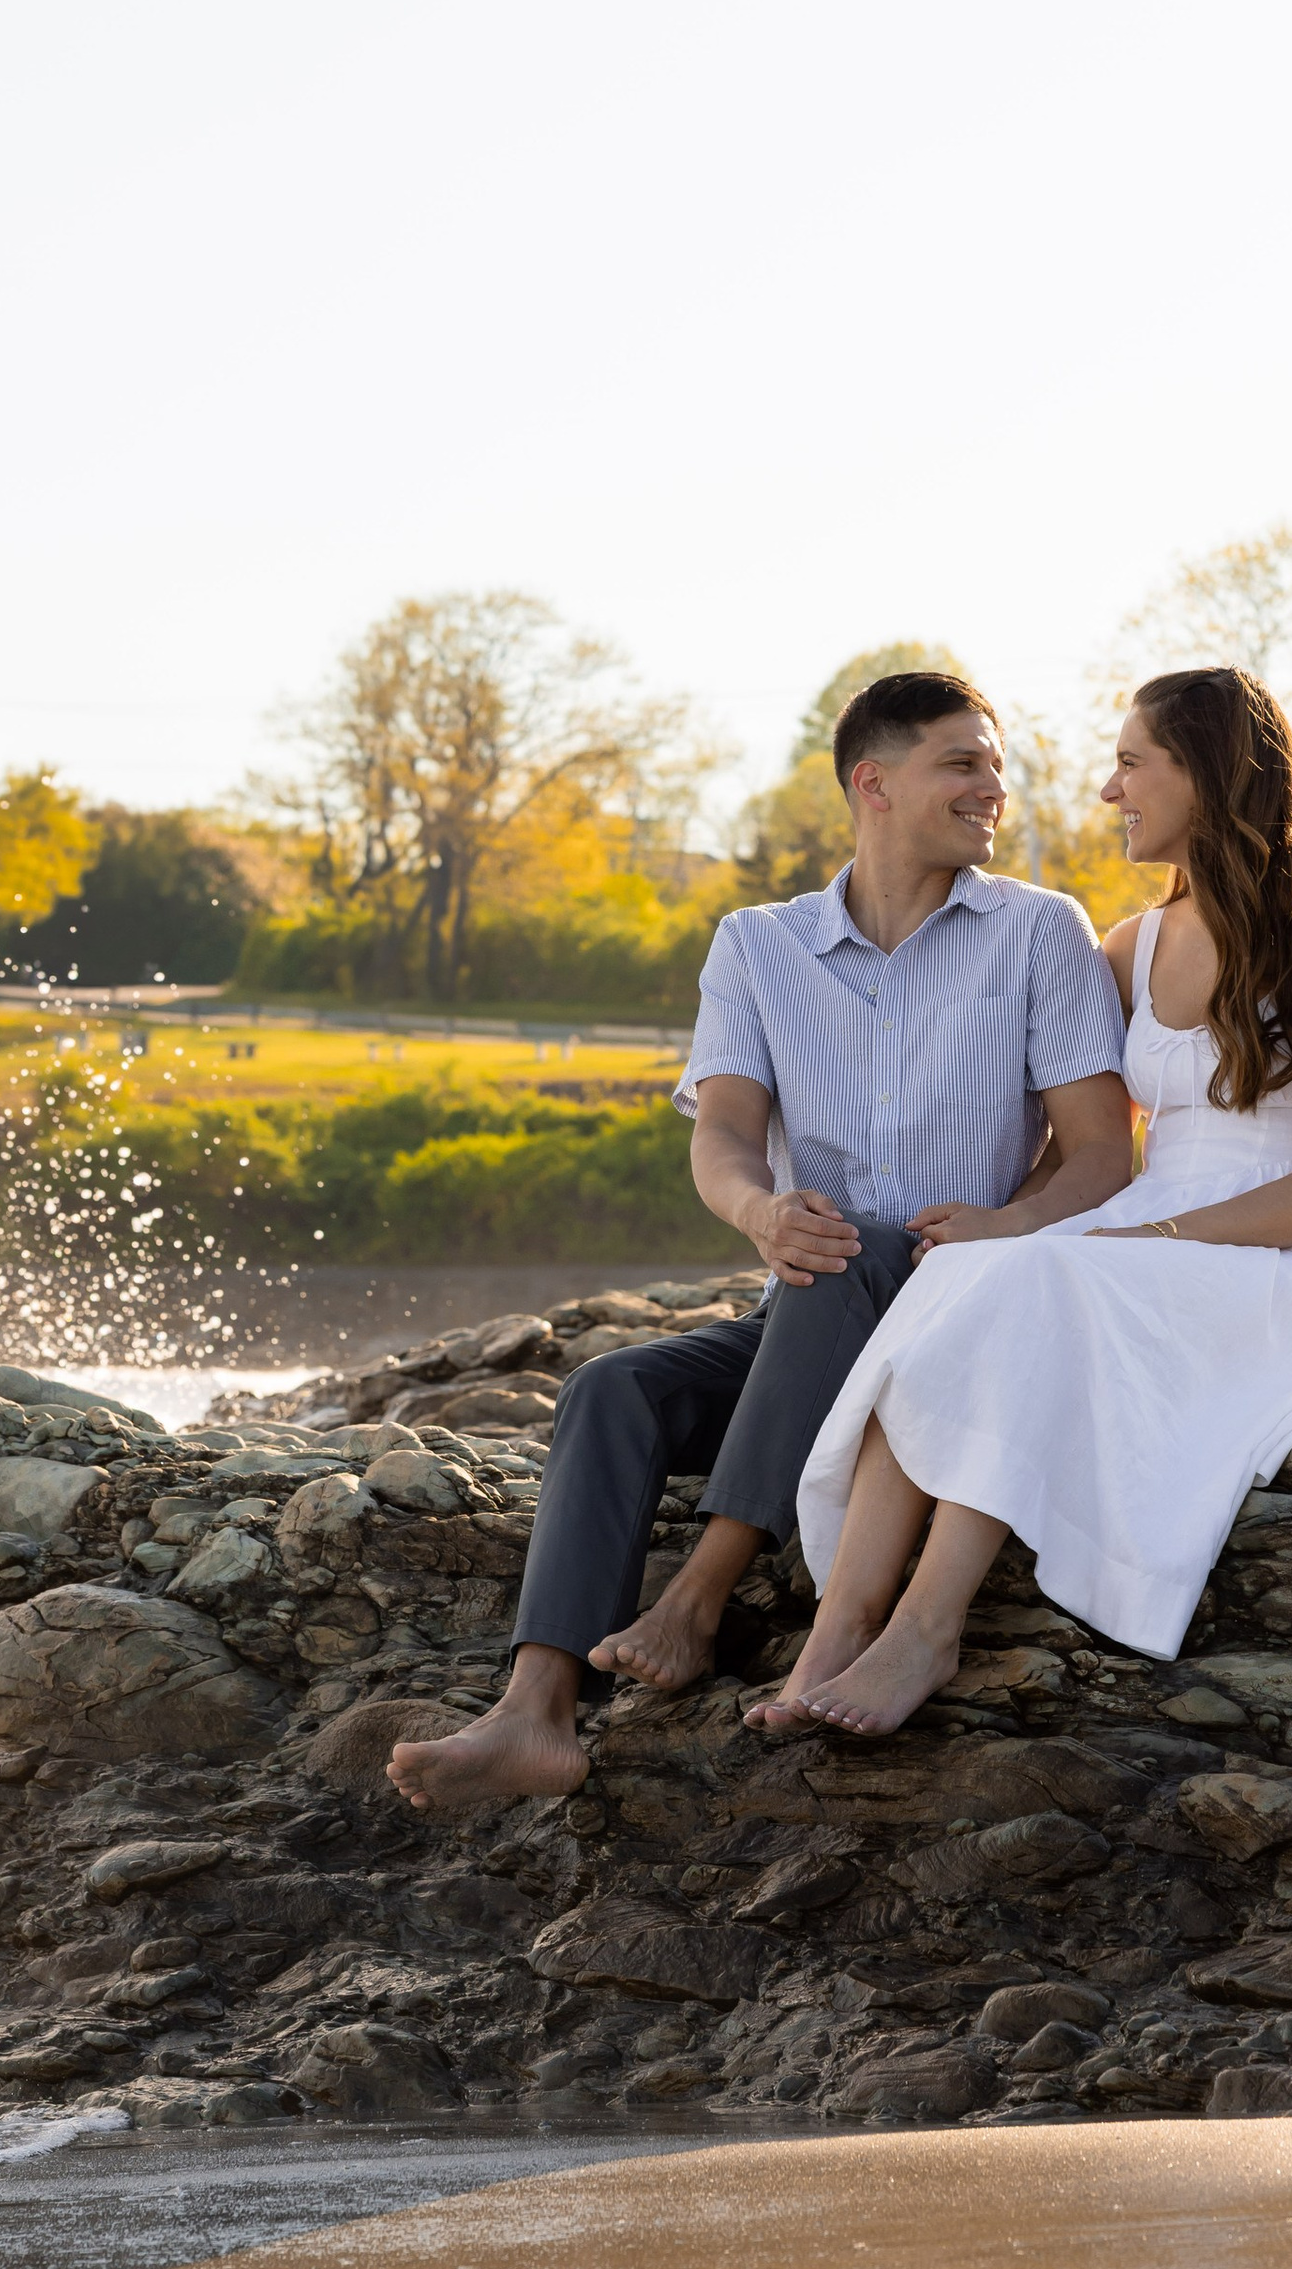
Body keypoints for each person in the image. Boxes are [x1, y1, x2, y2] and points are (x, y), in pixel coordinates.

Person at [388, 668, 1134, 1812]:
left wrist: (1005, 1222)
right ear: (872, 783)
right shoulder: (756, 946)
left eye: (995, 763)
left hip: (958, 1308)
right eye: (964, 762)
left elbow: (1098, 1154)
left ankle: (695, 1601)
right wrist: (757, 1212)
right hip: (810, 1305)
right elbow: (727, 1138)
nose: (995, 786)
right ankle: (534, 1713)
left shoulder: (1038, 932)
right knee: (611, 1390)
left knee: (860, 1251)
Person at [753, 664, 1292, 1738]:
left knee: (1055, 1276)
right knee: (978, 1275)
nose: (1111, 791)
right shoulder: (1127, 945)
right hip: (1144, 1235)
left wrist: (1148, 1234)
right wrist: (997, 1222)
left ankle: (926, 1627)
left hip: (1284, 1259)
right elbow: (1074, 1149)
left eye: (1131, 762)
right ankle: (838, 1630)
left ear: (1201, 771)